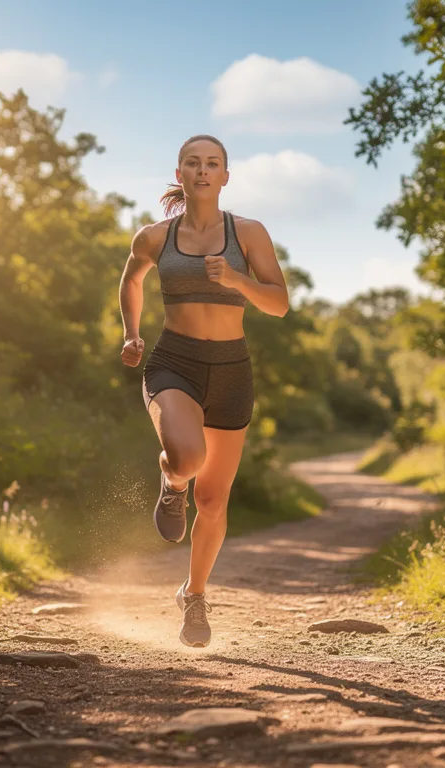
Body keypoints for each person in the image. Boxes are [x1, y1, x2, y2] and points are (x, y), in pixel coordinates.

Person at [118, 134, 290, 648]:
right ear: (180, 171)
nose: (203, 170)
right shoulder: (154, 237)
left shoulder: (249, 233)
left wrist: (238, 281)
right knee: (187, 458)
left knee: (213, 500)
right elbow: (131, 281)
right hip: (175, 361)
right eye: (193, 162)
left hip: (231, 370)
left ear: (225, 176)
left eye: (212, 163)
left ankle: (193, 595)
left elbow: (279, 304)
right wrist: (131, 332)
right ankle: (172, 486)